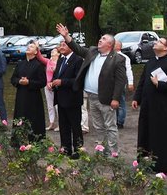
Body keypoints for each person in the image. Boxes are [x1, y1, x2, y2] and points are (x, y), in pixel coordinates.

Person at [56, 23, 126, 154]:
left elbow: (121, 80)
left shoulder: (118, 59)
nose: (100, 40)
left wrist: (116, 98)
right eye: (100, 38)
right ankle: (102, 151)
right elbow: (77, 49)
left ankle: (113, 153)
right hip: (92, 97)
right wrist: (66, 36)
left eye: (104, 39)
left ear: (110, 44)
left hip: (106, 98)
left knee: (110, 126)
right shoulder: (93, 52)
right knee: (98, 126)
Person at [132, 37, 167, 173]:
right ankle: (145, 161)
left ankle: (163, 164)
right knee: (146, 132)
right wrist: (137, 98)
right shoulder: (150, 62)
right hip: (148, 104)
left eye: (160, 42)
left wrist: (159, 84)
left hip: (163, 107)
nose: (156, 43)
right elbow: (142, 81)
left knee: (161, 134)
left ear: (166, 48)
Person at [51, 40, 83, 158]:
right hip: (61, 98)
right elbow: (56, 75)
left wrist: (62, 82)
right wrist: (52, 82)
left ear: (71, 46)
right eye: (60, 45)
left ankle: (78, 150)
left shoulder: (77, 60)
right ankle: (65, 148)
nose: (61, 47)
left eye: (64, 45)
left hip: (72, 99)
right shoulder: (60, 60)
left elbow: (78, 80)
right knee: (63, 125)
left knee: (75, 126)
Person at [10, 41, 48, 142]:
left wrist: (29, 82)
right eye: (28, 46)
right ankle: (18, 140)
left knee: (33, 118)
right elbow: (13, 78)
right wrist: (19, 81)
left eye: (31, 47)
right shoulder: (20, 64)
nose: (28, 48)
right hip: (21, 95)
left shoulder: (39, 65)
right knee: (20, 116)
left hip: (33, 96)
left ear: (36, 52)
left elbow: (43, 82)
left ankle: (35, 140)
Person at [114, 40, 135, 129]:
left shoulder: (124, 57)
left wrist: (130, 82)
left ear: (118, 46)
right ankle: (116, 120)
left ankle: (120, 121)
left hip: (119, 83)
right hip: (112, 83)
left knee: (121, 102)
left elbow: (128, 71)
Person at [44, 48, 59, 131]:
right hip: (47, 86)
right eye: (51, 51)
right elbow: (40, 57)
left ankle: (60, 124)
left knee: (57, 106)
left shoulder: (60, 62)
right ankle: (51, 123)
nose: (52, 52)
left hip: (56, 86)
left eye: (54, 51)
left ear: (58, 54)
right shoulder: (48, 61)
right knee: (50, 105)